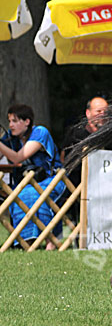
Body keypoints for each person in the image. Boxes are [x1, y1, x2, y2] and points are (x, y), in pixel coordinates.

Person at [61, 96, 112, 223]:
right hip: (81, 184)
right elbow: (65, 157)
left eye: (105, 112)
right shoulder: (76, 133)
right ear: (88, 113)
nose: (102, 115)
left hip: (109, 186)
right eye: (98, 111)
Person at [0, 104, 65, 249]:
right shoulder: (11, 137)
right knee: (19, 193)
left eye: (15, 121)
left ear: (27, 122)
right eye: (9, 121)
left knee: (29, 194)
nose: (10, 125)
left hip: (52, 179)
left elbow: (18, 157)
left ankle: (49, 242)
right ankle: (26, 242)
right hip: (26, 183)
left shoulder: (40, 132)